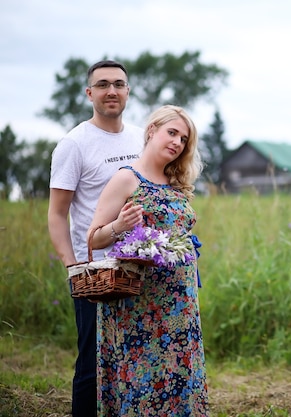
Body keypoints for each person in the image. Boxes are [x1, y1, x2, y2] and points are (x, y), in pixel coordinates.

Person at [87, 105, 210, 416]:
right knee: (143, 375)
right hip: (140, 301)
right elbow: (94, 238)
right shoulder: (127, 179)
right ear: (152, 130)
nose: (177, 143)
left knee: (179, 373)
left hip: (180, 300)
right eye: (172, 133)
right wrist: (120, 226)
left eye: (183, 139)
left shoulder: (177, 185)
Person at [48, 60, 144, 416]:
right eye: (102, 85)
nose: (112, 91)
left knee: (135, 354)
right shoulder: (74, 144)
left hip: (140, 265)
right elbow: (58, 213)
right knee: (92, 361)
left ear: (128, 91)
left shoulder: (141, 137)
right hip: (95, 272)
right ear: (89, 93)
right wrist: (73, 265)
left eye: (119, 84)